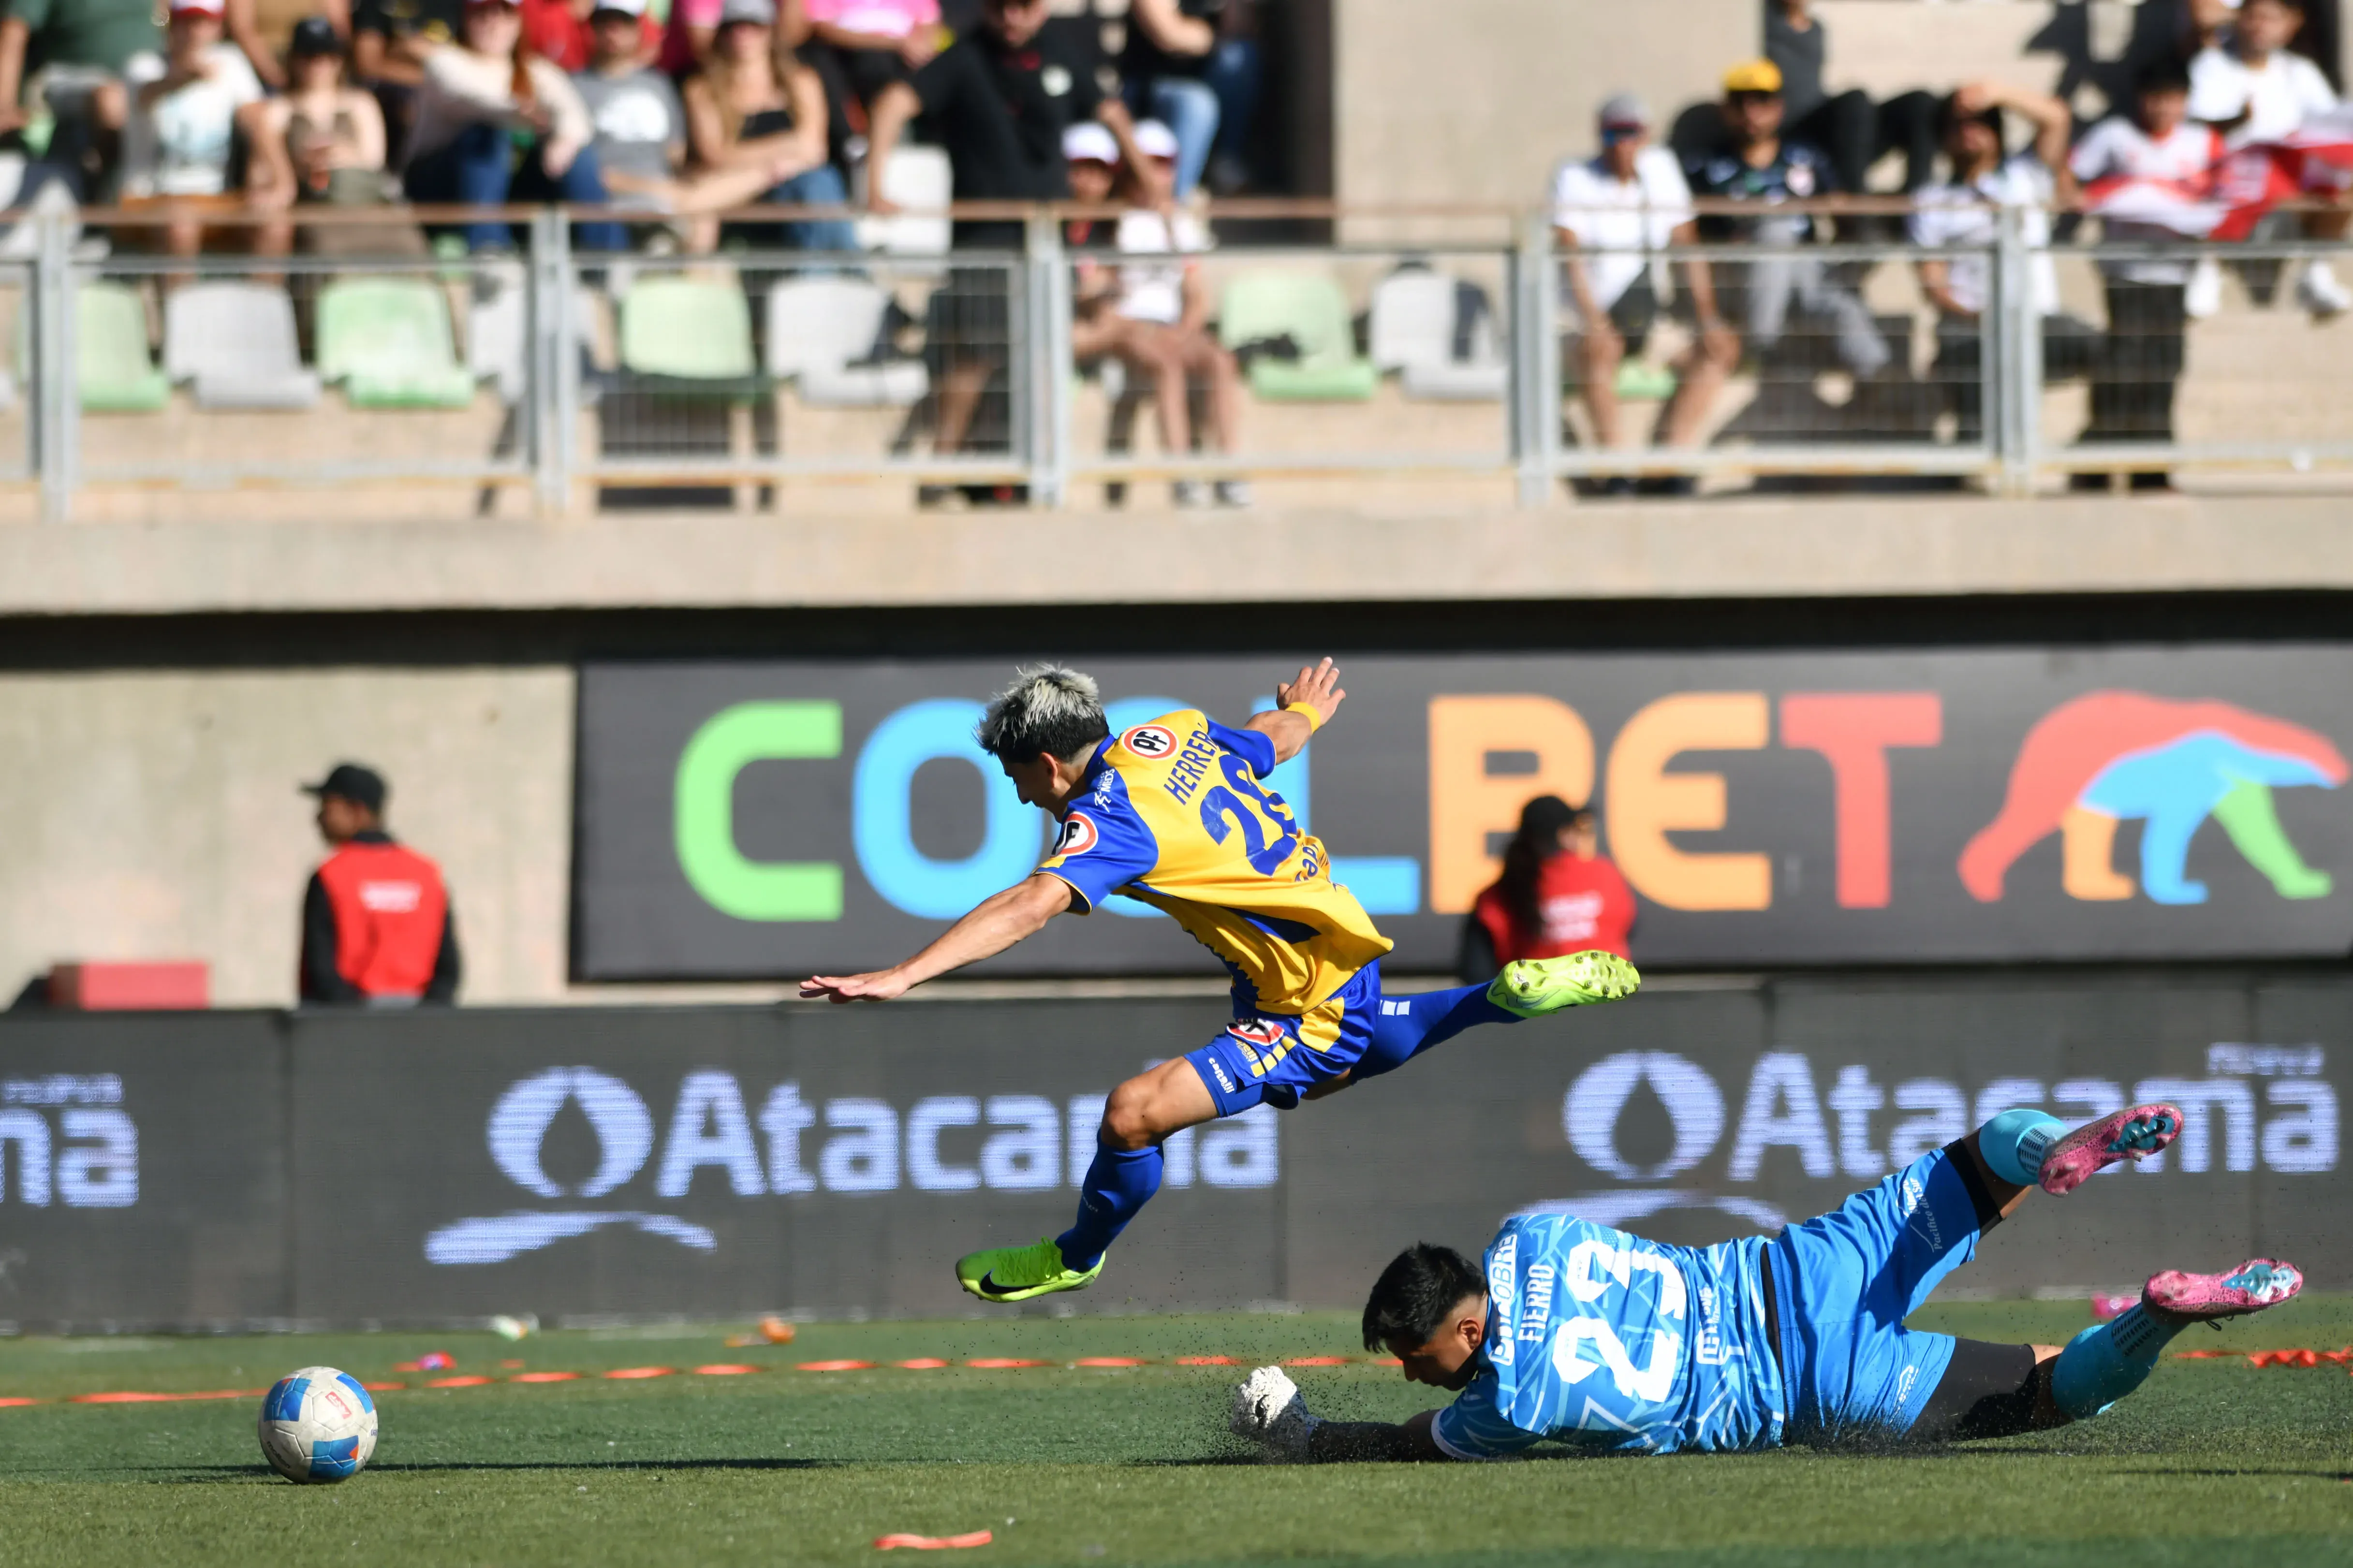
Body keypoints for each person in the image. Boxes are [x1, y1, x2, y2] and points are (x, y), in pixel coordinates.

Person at [800, 663, 1642, 1303]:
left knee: (1132, 1113)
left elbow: (1031, 903)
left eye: (1019, 780)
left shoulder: (1109, 817)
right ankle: (1494, 996)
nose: (1024, 802)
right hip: (1344, 951)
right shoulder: (1170, 734)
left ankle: (1075, 1255)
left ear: (1051, 764)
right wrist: (1307, 711)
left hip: (1301, 998)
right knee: (1349, 1049)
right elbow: (1267, 741)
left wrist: (905, 973)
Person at [1227, 1101, 2308, 1461]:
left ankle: (2161, 1317)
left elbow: (1397, 1444)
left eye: (1416, 1358)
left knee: (2042, 1390)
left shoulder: (1505, 1401)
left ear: (1460, 1337)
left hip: (1820, 1383)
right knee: (1981, 1157)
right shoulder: (1529, 1234)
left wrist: (1301, 1431)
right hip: (1806, 1262)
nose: (1419, 1380)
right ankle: (2068, 1140)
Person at [864, 0, 1151, 484]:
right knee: (976, 355)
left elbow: (1110, 112)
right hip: (986, 239)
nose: (1013, 19)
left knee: (1041, 355)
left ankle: (1031, 470)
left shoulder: (1060, 53)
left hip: (1046, 239)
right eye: (1001, 8)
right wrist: (875, 185)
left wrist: (1150, 181)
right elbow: (894, 102)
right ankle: (945, 464)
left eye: (1024, 7)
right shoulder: (964, 57)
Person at [1686, 61, 1893, 422]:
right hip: (1742, 280)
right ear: (1726, 109)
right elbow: (1691, 236)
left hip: (1807, 274)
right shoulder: (1706, 165)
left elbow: (1839, 211)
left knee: (1840, 305)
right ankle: (1761, 346)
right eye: (1741, 101)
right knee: (1777, 230)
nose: (1752, 111)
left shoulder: (1806, 158)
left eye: (1762, 100)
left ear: (1778, 106)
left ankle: (1878, 377)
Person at [1553, 93, 1737, 496]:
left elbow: (1688, 247)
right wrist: (1594, 321)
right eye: (1613, 133)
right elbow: (1570, 255)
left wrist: (1708, 318)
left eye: (1631, 133)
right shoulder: (1575, 177)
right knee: (1600, 349)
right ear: (1599, 135)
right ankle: (1616, 468)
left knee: (1719, 349)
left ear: (1646, 135)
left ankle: (1668, 464)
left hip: (1648, 320)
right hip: (1586, 317)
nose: (1623, 143)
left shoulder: (1661, 172)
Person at [1909, 81, 2102, 446]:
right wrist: (1978, 317)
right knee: (1968, 366)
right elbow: (1932, 281)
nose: (1969, 133)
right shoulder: (1932, 198)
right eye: (1957, 125)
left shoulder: (2026, 176)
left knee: (2114, 353)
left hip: (2037, 322)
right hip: (1973, 328)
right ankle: (1970, 460)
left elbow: (2057, 117)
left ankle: (2097, 449)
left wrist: (1997, 95)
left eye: (1980, 123)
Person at [1076, 118, 1248, 508]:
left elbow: (1196, 295)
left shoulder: (1179, 224)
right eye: (1148, 162)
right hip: (1127, 329)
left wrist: (1185, 331)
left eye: (1164, 162)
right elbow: (1095, 293)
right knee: (1166, 366)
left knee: (1220, 362)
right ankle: (1182, 473)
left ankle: (1230, 470)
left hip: (1171, 328)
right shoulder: (1111, 221)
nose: (1157, 173)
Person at [2069, 60, 2221, 490]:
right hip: (2126, 272)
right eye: (2155, 99)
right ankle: (2099, 458)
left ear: (2186, 102)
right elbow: (2074, 179)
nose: (2162, 109)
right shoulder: (2115, 137)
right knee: (2123, 364)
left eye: (2172, 99)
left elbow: (2220, 193)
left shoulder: (2202, 142)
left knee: (2164, 367)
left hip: (2173, 274)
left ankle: (2152, 463)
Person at [401, 0, 624, 253]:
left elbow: (574, 115)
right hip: (442, 187)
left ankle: (606, 258)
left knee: (578, 155)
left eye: (504, 14)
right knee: (486, 136)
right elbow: (468, 99)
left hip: (510, 188)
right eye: (482, 13)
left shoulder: (537, 70)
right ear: (466, 19)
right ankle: (490, 254)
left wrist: (564, 142)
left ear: (518, 22)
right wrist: (521, 112)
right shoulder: (445, 61)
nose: (493, 23)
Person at [2186, 0, 2348, 317]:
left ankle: (2317, 268)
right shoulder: (2211, 64)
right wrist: (2238, 120)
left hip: (2290, 177)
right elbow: (2199, 130)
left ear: (2291, 25)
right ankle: (2208, 264)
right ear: (2239, 20)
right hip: (2231, 173)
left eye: (2271, 18)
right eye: (2254, 17)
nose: (2260, 26)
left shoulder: (2301, 71)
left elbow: (2330, 123)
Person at [681, 0, 858, 252]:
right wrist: (778, 162)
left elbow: (813, 150)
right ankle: (848, 272)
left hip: (793, 189)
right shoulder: (703, 89)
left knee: (818, 184)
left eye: (754, 26)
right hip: (738, 192)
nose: (743, 35)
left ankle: (822, 276)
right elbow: (715, 156)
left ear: (770, 32)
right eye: (733, 27)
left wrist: (753, 158)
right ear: (721, 34)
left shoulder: (801, 80)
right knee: (819, 184)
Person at [298, 762, 462, 1007]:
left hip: (346, 1027)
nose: (318, 819)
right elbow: (448, 969)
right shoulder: (426, 875)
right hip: (420, 1028)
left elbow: (320, 971)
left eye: (327, 807)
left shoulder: (331, 875)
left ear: (358, 810)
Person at [118, 0, 267, 257]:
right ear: (172, 26)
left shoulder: (230, 62)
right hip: (146, 197)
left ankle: (265, 298)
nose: (195, 32)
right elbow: (148, 92)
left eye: (205, 23)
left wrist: (277, 178)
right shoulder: (143, 65)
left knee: (273, 224)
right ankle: (178, 298)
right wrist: (187, 77)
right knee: (181, 225)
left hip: (213, 198)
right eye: (187, 22)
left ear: (219, 28)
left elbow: (257, 119)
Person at [245, 16, 400, 256]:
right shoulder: (277, 111)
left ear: (339, 61)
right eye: (308, 56)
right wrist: (297, 168)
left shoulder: (361, 103)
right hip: (310, 217)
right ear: (293, 60)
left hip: (365, 210)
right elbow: (258, 176)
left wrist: (339, 156)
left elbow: (374, 162)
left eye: (327, 56)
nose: (318, 65)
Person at [1763, 0, 1938, 205]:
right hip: (1794, 133)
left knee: (1920, 103)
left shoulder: (1816, 28)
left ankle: (1916, 203)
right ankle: (1856, 206)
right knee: (1856, 100)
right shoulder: (1762, 21)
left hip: (1834, 135)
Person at [1459, 796, 1634, 983]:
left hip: (1536, 1005)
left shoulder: (1497, 895)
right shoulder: (1605, 874)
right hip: (1607, 995)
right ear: (1565, 835)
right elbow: (1628, 928)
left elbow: (1476, 973)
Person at [0, 0, 164, 192]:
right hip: (67, 79)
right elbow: (13, 33)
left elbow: (169, 12)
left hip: (145, 77)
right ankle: (109, 192)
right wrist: (5, 107)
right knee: (111, 100)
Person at [1120, 0, 1254, 199]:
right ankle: (1175, 204)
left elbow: (1243, 26)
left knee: (1241, 58)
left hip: (1205, 75)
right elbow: (1168, 35)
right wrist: (1215, 37)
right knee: (1197, 104)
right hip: (1151, 84)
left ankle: (1224, 161)